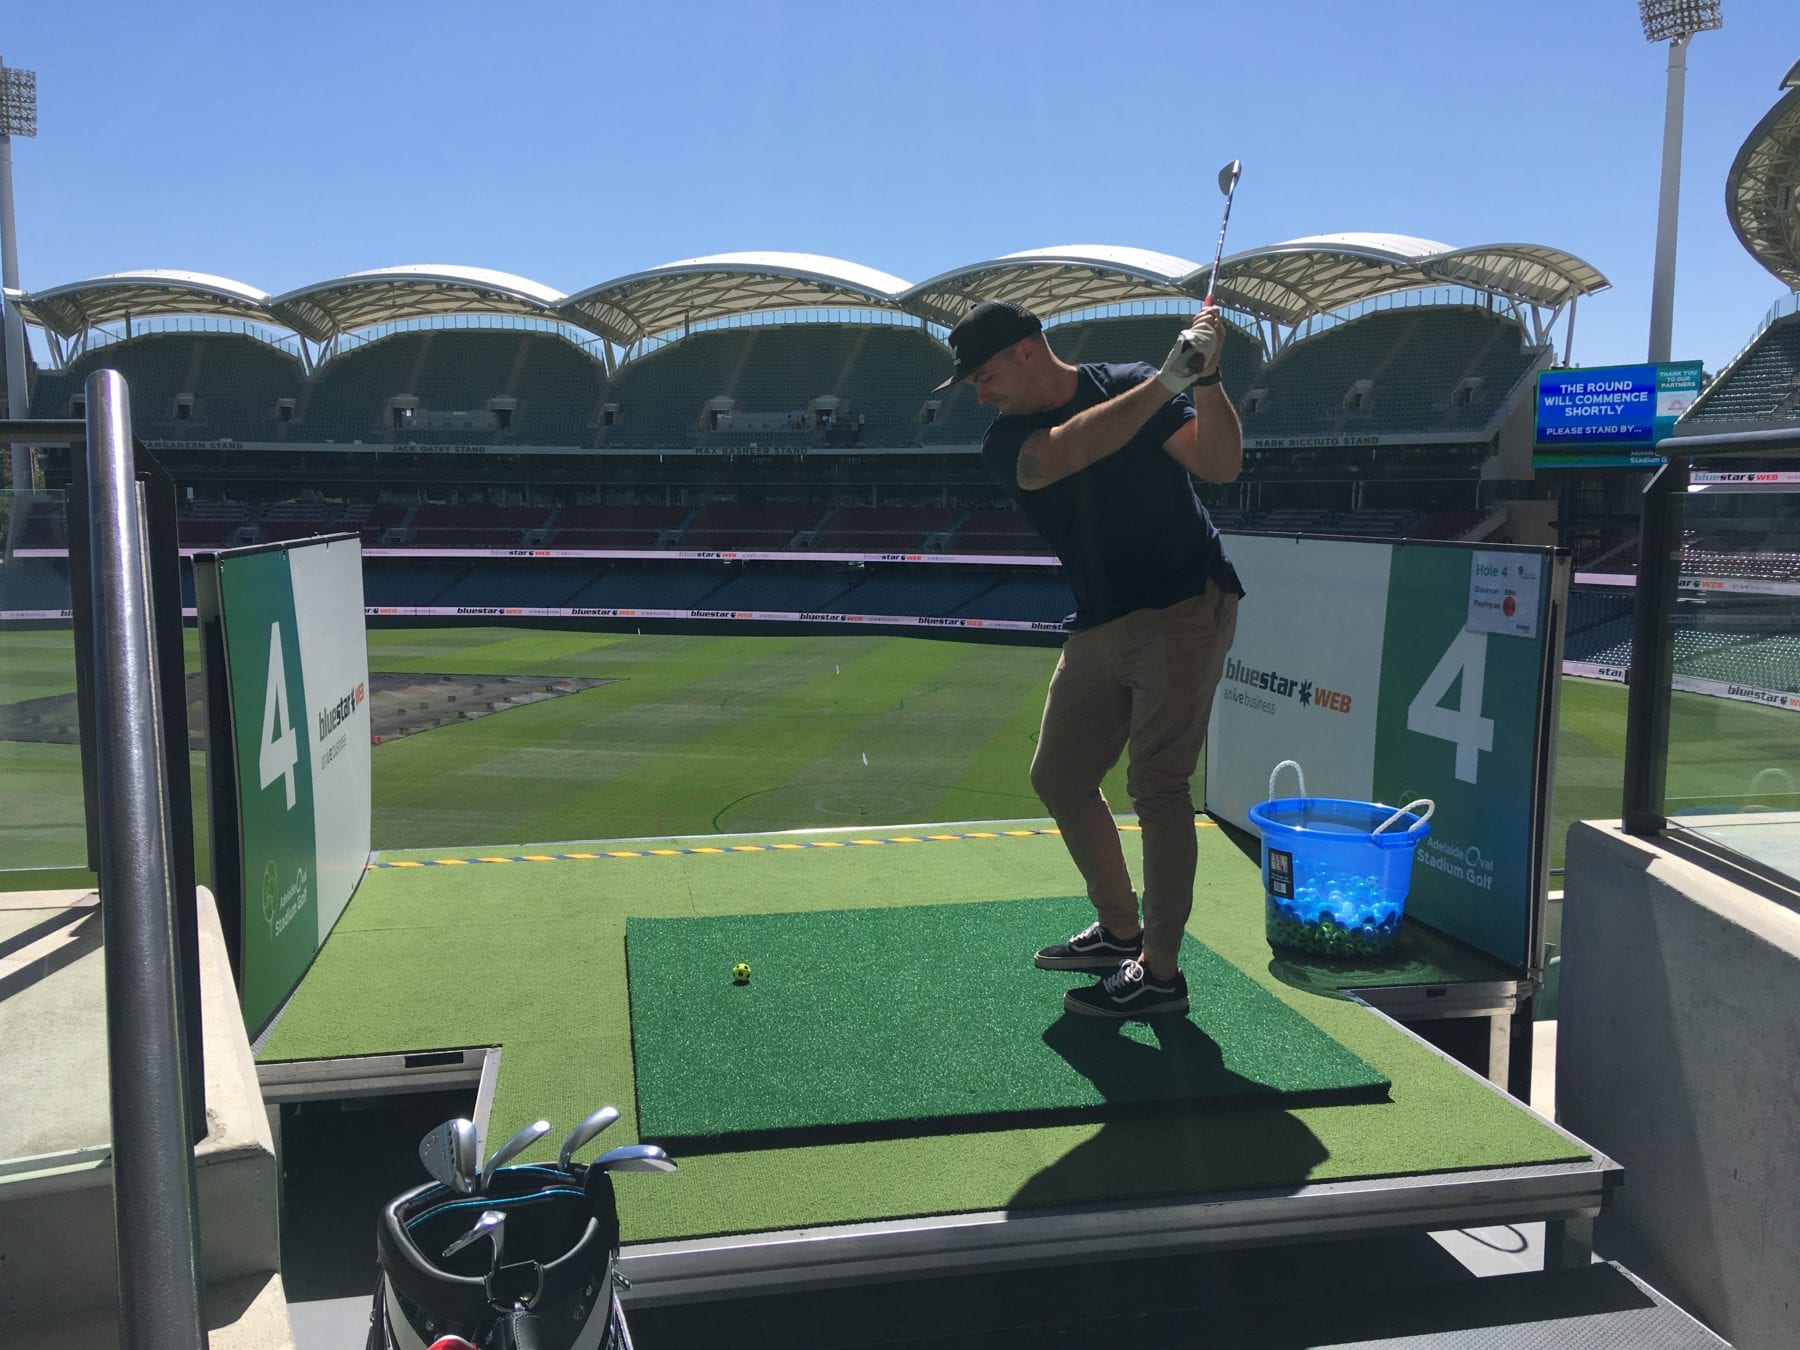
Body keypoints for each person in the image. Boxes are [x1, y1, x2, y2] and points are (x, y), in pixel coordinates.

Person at [934, 299, 1244, 1018]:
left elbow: (1220, 465)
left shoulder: (1133, 381)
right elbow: (1066, 451)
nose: (980, 395)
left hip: (1185, 602)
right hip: (1104, 616)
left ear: (1027, 350)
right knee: (1060, 774)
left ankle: (1160, 972)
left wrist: (1208, 378)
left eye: (984, 376)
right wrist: (1168, 380)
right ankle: (1119, 929)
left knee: (1159, 784)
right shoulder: (1005, 442)